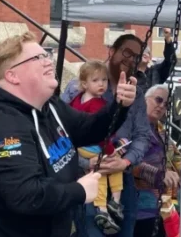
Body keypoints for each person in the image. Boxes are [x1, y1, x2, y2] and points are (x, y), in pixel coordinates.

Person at [0, 33, 138, 237]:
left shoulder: (49, 107)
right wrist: (78, 191)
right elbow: (26, 195)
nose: (48, 61)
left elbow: (90, 129)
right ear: (12, 76)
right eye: (38, 58)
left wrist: (119, 105)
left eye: (47, 55)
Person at [63, 34, 152, 237]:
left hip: (122, 179)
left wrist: (126, 162)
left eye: (136, 57)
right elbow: (60, 132)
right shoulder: (78, 89)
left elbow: (142, 135)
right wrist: (86, 163)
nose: (130, 60)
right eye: (126, 52)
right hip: (88, 177)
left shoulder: (135, 94)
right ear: (112, 51)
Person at [69, 60, 129, 234]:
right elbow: (102, 133)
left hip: (80, 145)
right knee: (112, 166)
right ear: (84, 83)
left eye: (104, 80)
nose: (101, 84)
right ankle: (114, 202)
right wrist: (111, 151)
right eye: (95, 80)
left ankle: (102, 209)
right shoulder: (98, 104)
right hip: (95, 146)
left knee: (98, 173)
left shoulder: (76, 101)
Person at [132, 85, 181, 237]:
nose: (161, 106)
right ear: (145, 100)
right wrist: (160, 174)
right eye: (158, 100)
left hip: (164, 207)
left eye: (166, 104)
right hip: (140, 207)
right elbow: (129, 162)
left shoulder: (161, 130)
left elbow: (176, 156)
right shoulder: (132, 126)